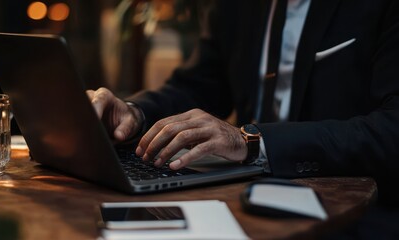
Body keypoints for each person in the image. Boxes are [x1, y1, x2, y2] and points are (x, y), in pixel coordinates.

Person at [87, 0, 399, 204]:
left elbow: (392, 130)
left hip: (357, 205)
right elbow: (199, 86)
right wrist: (134, 113)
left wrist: (251, 143)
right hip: (247, 196)